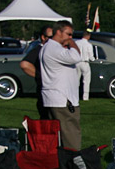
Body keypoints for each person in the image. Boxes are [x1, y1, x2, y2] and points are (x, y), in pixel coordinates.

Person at [40, 20, 83, 150]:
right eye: (68, 34)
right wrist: (72, 43)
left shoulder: (48, 48)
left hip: (56, 98)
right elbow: (76, 57)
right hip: (62, 100)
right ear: (58, 32)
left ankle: (63, 165)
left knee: (60, 137)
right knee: (71, 137)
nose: (70, 37)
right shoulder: (54, 48)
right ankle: (74, 163)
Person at [20, 25, 54, 120]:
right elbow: (25, 64)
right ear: (43, 37)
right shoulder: (40, 49)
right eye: (51, 37)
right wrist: (41, 76)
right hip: (45, 91)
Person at [76, 31, 94, 101]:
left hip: (77, 62)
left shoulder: (77, 43)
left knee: (76, 80)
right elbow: (91, 56)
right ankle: (85, 97)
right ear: (88, 36)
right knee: (86, 81)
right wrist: (93, 59)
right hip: (85, 63)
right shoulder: (89, 45)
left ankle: (75, 95)